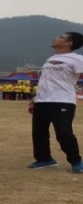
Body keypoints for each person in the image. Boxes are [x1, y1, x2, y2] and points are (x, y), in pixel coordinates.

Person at [27, 32, 83, 172]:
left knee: (63, 132)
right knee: (39, 132)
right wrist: (36, 97)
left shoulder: (77, 59)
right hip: (42, 100)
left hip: (62, 100)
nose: (55, 38)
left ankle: (76, 161)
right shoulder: (51, 58)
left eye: (61, 37)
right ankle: (44, 159)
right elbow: (47, 80)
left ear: (69, 43)